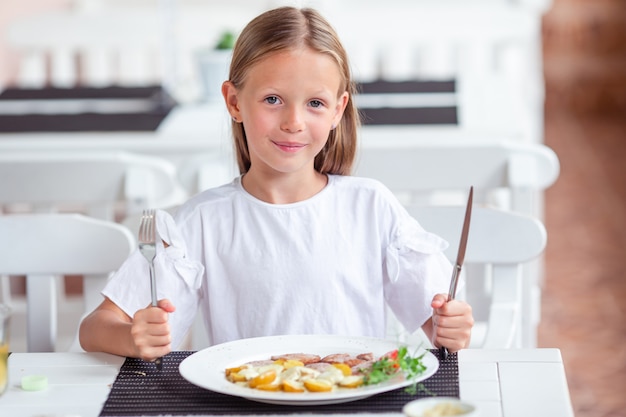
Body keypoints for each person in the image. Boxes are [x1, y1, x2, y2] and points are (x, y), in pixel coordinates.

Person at [79, 6, 473, 363]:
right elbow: (95, 328)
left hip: (353, 401)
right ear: (234, 102)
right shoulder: (203, 221)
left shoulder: (371, 207)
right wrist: (133, 337)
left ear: (338, 110)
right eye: (272, 99)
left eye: (315, 103)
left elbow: (439, 326)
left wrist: (449, 326)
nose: (293, 122)